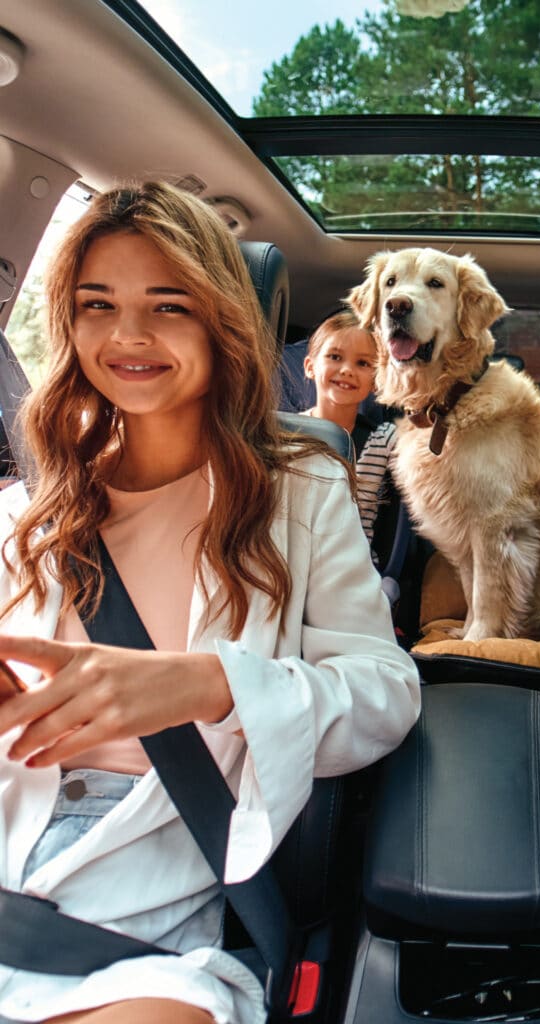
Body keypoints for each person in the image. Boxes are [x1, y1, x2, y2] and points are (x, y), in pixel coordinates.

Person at [0, 181, 421, 1024]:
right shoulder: (27, 505)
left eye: (167, 305)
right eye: (97, 305)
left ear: (221, 317)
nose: (127, 336)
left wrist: (208, 684)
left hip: (143, 912)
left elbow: (386, 691)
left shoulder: (296, 488)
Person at [300, 309, 398, 555]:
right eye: (335, 356)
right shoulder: (285, 433)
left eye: (362, 363)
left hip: (355, 569)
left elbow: (427, 454)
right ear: (310, 367)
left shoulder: (382, 438)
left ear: (376, 381)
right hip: (294, 560)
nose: (347, 370)